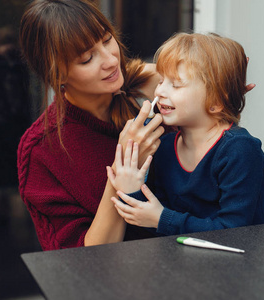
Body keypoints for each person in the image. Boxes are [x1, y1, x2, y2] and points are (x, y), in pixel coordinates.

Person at [17, 0, 165, 250]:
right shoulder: (42, 151)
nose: (110, 60)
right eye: (87, 58)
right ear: (58, 75)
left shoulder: (147, 87)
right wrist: (125, 164)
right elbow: (81, 259)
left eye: (107, 40)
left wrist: (220, 85)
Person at [107, 32, 264, 236]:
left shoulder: (240, 151)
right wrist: (132, 189)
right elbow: (150, 229)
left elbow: (233, 232)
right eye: (161, 81)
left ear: (216, 101)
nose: (159, 92)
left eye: (176, 84)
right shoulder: (165, 148)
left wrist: (161, 218)